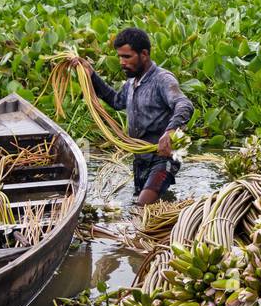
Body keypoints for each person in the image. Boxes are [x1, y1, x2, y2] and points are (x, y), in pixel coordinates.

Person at [81, 27, 194, 206]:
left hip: (163, 157)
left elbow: (184, 104)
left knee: (142, 206)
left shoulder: (163, 80)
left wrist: (170, 131)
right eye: (120, 56)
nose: (122, 62)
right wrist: (91, 74)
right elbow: (116, 101)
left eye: (127, 57)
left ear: (144, 54)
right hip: (141, 158)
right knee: (148, 205)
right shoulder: (131, 83)